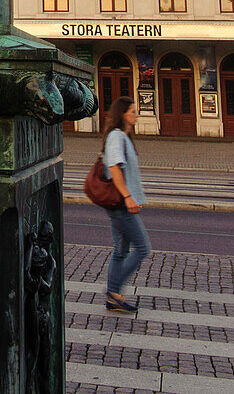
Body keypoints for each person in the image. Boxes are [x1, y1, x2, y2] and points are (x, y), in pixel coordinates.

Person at [101, 96, 151, 312]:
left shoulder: (124, 137)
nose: (136, 114)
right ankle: (113, 290)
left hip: (122, 203)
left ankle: (113, 297)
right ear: (122, 114)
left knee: (120, 251)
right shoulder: (116, 137)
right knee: (142, 248)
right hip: (121, 204)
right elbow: (114, 169)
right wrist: (129, 197)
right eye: (132, 111)